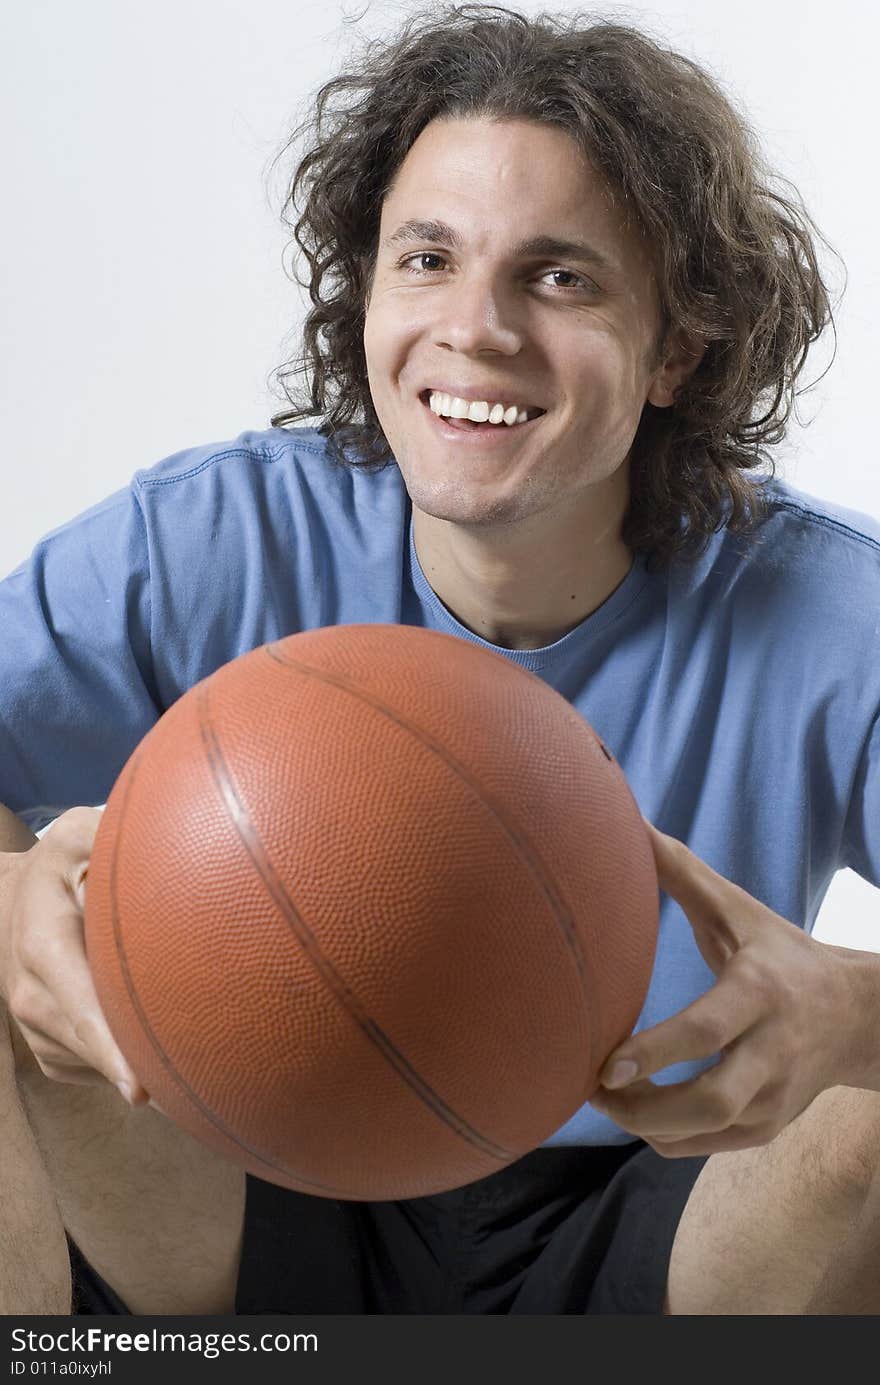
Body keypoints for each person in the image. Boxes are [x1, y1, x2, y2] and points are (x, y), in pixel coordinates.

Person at [2, 2, 879, 1317]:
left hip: (668, 1203)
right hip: (248, 1166)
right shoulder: (211, 535)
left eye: (560, 275)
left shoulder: (833, 607)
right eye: (427, 258)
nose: (475, 326)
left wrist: (849, 1013)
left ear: (678, 350)